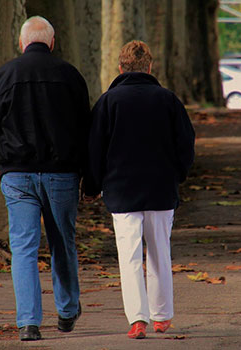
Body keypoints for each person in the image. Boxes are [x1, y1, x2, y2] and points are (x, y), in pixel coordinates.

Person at [0, 16, 89, 341]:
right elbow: (86, 129)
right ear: (52, 43)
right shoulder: (70, 76)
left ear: (22, 43)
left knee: (23, 248)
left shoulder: (5, 74)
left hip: (18, 174)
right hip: (62, 175)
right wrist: (89, 174)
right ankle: (67, 311)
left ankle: (28, 322)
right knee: (62, 242)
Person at [84, 40, 195, 339]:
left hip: (121, 191)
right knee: (160, 252)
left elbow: (95, 149)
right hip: (160, 189)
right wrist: (179, 175)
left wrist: (92, 185)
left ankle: (138, 319)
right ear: (150, 67)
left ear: (120, 68)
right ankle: (162, 315)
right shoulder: (168, 100)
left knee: (129, 257)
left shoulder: (108, 102)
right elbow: (185, 143)